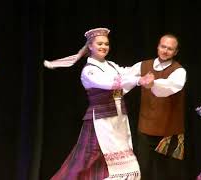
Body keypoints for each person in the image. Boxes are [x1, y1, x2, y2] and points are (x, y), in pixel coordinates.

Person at [44, 27, 143, 179]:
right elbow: (111, 83)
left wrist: (148, 65)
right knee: (86, 160)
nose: (104, 47)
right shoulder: (89, 71)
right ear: (90, 46)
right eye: (100, 44)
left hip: (117, 119)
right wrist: (138, 80)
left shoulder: (111, 65)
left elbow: (126, 72)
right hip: (100, 121)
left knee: (115, 162)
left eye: (106, 44)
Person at [129, 34, 187, 180]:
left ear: (175, 52)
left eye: (170, 48)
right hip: (146, 127)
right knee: (144, 169)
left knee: (168, 173)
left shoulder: (179, 71)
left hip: (169, 131)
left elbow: (171, 86)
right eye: (163, 46)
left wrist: (153, 83)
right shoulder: (142, 66)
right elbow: (125, 77)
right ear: (158, 47)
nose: (165, 51)